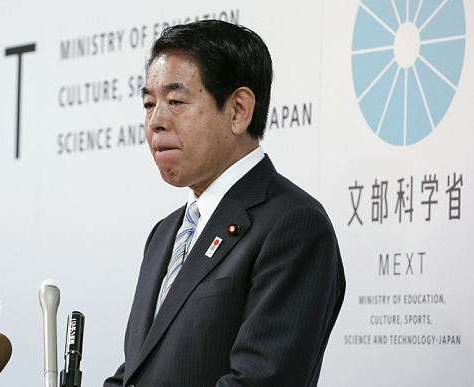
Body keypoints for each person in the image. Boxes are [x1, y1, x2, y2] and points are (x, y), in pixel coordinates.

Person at [104, 20, 345, 387]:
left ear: (238, 111)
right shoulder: (164, 234)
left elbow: (261, 380)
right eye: (149, 104)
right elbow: (137, 374)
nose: (155, 122)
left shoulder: (293, 224)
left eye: (175, 102)